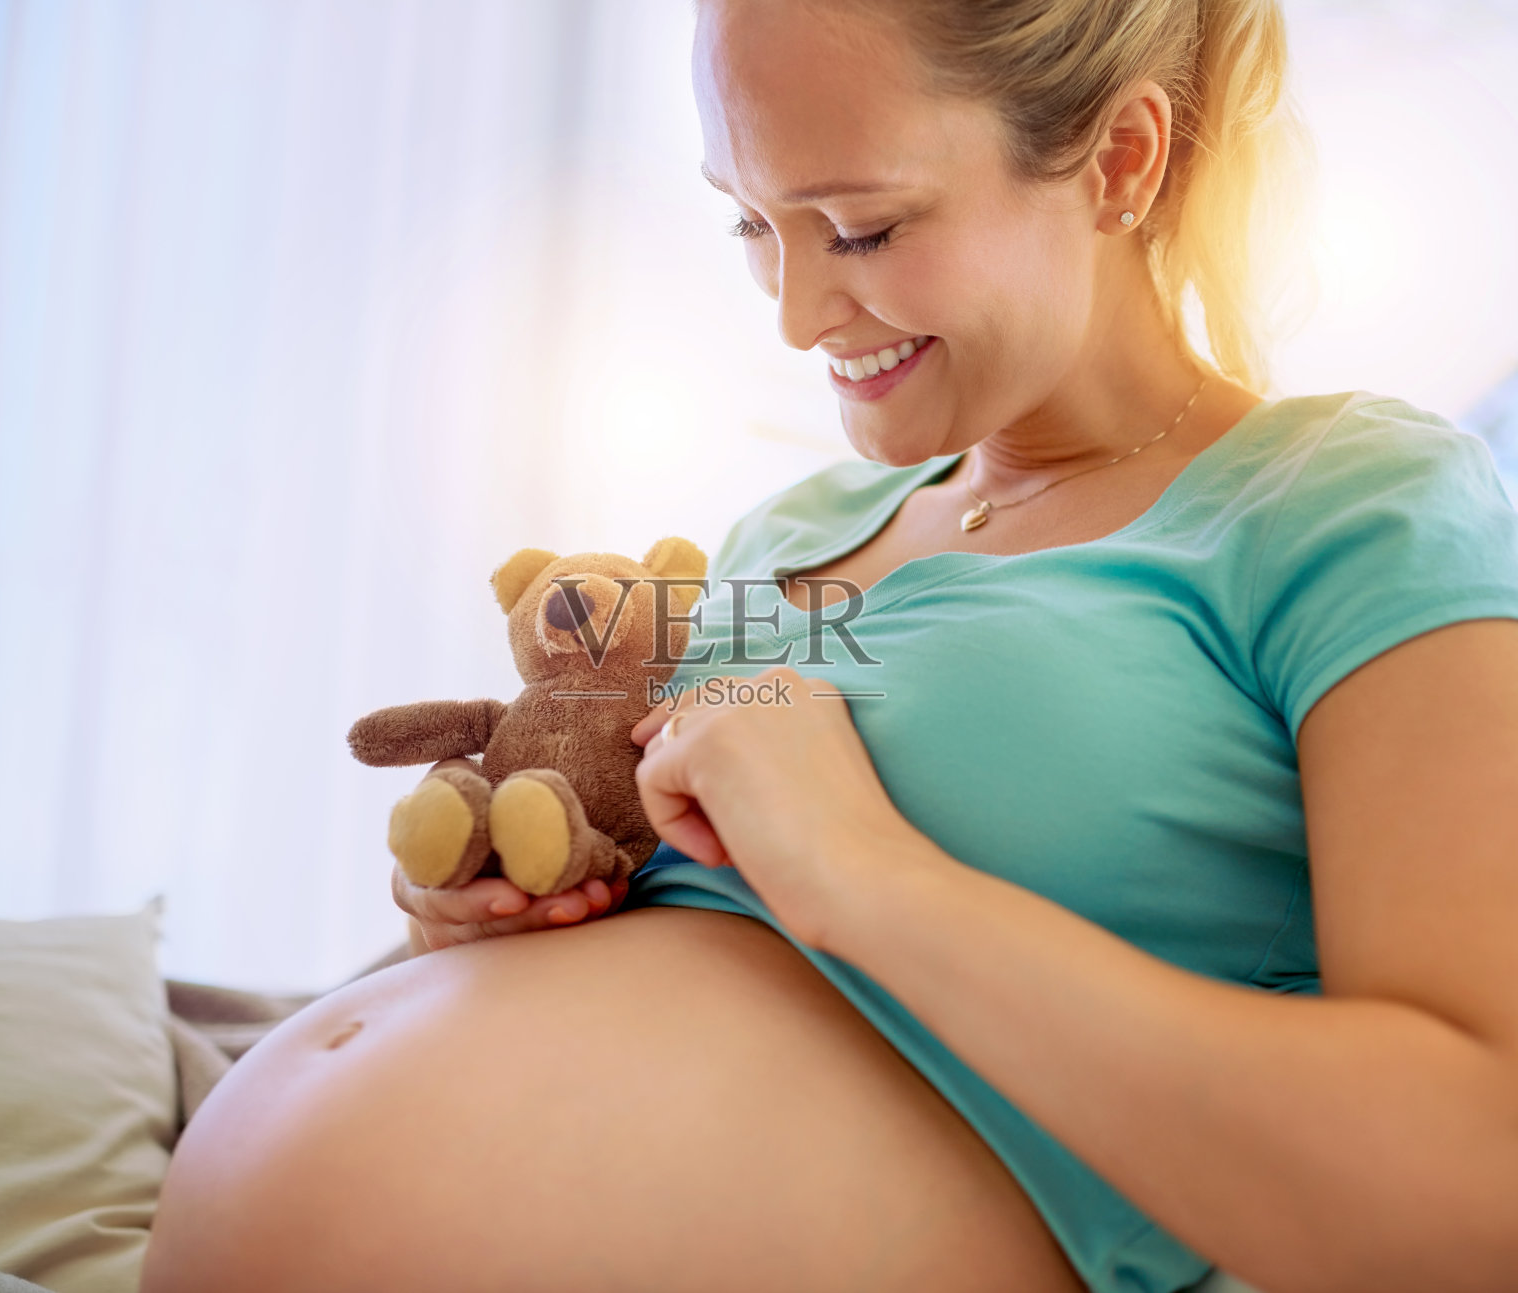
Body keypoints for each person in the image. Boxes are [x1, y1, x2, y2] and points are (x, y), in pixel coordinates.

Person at [141, 2, 1518, 1291]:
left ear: (1119, 158)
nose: (796, 315)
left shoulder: (1353, 506)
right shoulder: (787, 532)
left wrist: (859, 868)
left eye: (860, 227)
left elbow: (1477, 1183)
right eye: (751, 225)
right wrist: (467, 925)